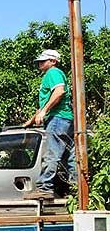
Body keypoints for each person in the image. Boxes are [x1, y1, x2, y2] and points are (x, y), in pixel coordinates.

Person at [23, 49, 76, 199]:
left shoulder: (53, 73)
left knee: (52, 154)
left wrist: (44, 111)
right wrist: (31, 120)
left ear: (53, 61)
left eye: (43, 60)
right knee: (69, 157)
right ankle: (76, 190)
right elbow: (46, 103)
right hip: (65, 119)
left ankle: (44, 187)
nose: (40, 63)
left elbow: (59, 92)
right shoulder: (54, 74)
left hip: (57, 119)